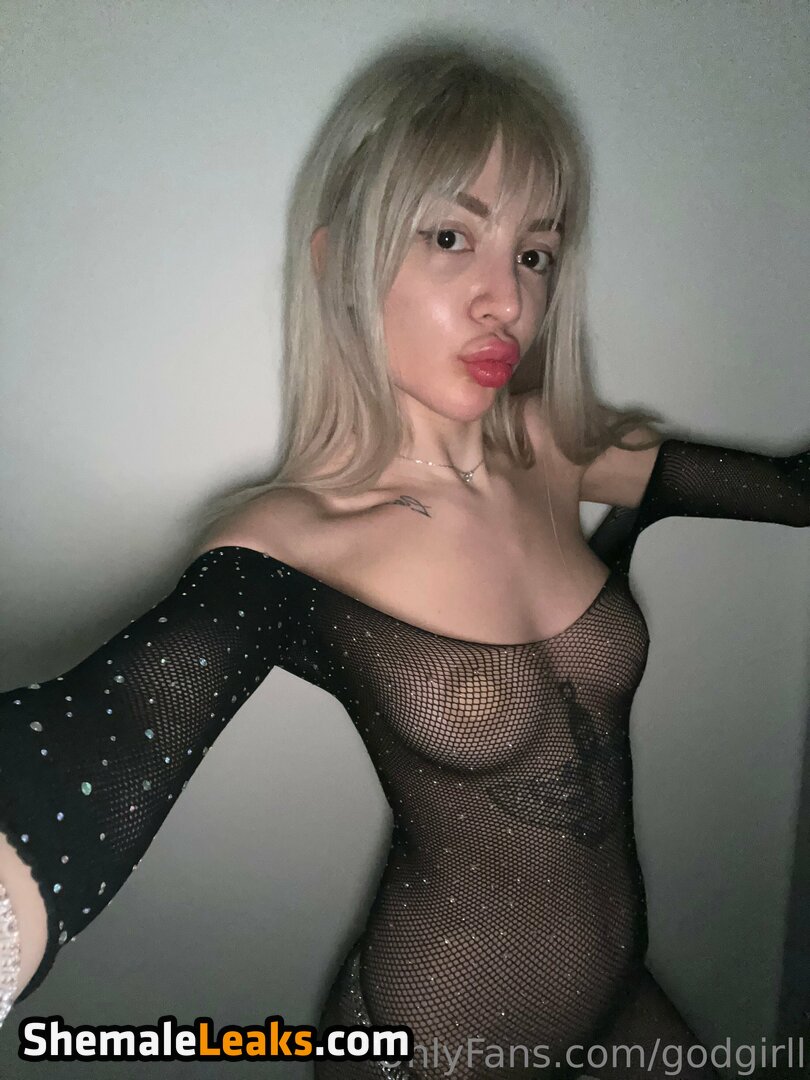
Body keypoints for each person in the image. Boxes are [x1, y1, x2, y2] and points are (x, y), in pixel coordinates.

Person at [0, 38, 807, 1080]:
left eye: (534, 254)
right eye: (450, 237)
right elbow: (99, 744)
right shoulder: (290, 545)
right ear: (341, 261)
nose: (507, 300)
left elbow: (793, 493)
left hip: (621, 1000)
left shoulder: (559, 450)